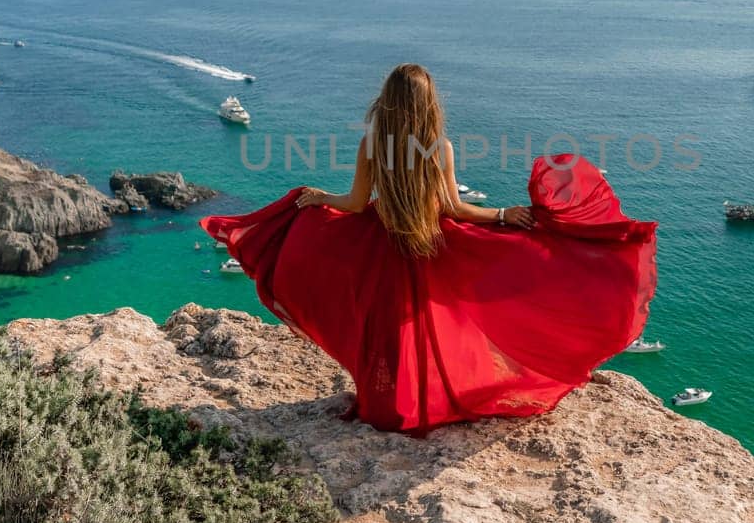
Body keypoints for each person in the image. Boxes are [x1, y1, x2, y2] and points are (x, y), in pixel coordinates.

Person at [202, 63, 657, 433]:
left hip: (380, 248)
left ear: (389, 101)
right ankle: (425, 400)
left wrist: (320, 199)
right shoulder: (440, 148)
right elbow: (457, 210)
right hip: (431, 246)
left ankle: (383, 406)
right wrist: (503, 215)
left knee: (382, 331)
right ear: (427, 105)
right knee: (426, 329)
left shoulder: (372, 144)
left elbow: (358, 204)